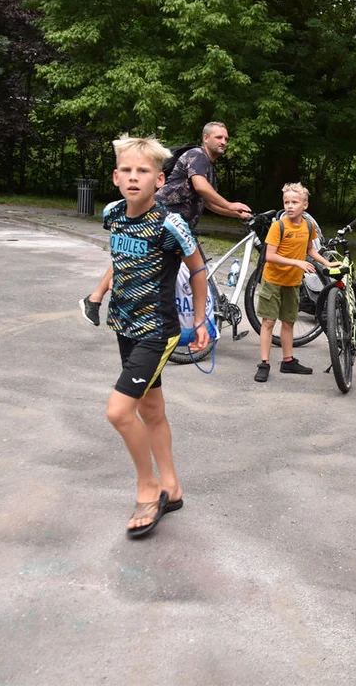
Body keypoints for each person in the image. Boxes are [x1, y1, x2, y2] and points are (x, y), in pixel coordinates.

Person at [102, 135, 210, 538]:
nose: (134, 177)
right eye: (127, 170)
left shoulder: (170, 223)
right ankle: (173, 487)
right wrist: (99, 294)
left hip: (157, 331)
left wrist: (199, 321)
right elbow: (119, 260)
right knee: (151, 410)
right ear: (116, 177)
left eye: (143, 171)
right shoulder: (112, 214)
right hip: (124, 327)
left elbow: (197, 270)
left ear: (159, 179)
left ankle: (148, 487)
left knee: (118, 412)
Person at [79, 121, 250, 326]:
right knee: (134, 257)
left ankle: (103, 302)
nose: (223, 142)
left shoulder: (208, 167)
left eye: (226, 139)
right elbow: (201, 187)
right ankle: (99, 300)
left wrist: (234, 213)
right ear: (206, 138)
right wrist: (231, 204)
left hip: (179, 227)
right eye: (219, 137)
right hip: (160, 216)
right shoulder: (197, 155)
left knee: (145, 262)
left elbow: (208, 202)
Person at [254, 183, 336, 383]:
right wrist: (296, 262)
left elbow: (311, 250)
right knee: (268, 322)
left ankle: (288, 361)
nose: (289, 206)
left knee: (289, 322)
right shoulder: (278, 226)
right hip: (273, 280)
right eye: (286, 202)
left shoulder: (308, 226)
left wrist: (328, 263)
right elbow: (270, 256)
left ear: (305, 205)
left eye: (294, 202)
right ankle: (264, 363)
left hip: (292, 282)